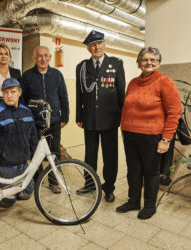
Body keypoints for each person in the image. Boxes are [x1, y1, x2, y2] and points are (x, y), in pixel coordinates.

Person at [116, 47, 182, 219]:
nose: (149, 63)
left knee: (150, 172)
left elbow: (175, 111)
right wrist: (124, 128)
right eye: (145, 59)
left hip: (152, 136)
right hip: (131, 135)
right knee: (133, 170)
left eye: (153, 59)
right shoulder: (132, 82)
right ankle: (133, 201)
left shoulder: (164, 81)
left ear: (158, 63)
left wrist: (166, 139)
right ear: (138, 63)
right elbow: (126, 107)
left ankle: (150, 205)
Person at [76, 30, 125, 202]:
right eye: (93, 45)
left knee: (110, 155)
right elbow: (79, 92)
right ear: (88, 48)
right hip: (89, 118)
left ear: (104, 44)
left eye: (99, 43)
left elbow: (121, 92)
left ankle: (109, 187)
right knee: (90, 154)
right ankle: (89, 184)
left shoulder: (116, 64)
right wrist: (78, 116)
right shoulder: (82, 67)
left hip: (110, 118)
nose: (97, 47)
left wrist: (122, 117)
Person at [21, 45, 69, 193]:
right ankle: (37, 179)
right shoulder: (27, 76)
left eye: (46, 55)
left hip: (54, 120)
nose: (43, 59)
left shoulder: (57, 75)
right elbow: (22, 99)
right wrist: (25, 118)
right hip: (34, 121)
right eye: (40, 56)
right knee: (35, 151)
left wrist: (65, 116)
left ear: (49, 57)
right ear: (34, 58)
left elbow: (63, 96)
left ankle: (54, 181)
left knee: (54, 151)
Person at [0, 78, 38, 207]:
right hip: (5, 167)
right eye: (5, 92)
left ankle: (12, 188)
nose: (9, 96)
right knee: (8, 202)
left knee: (27, 194)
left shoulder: (27, 112)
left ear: (19, 92)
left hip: (23, 166)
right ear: (2, 93)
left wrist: (35, 159)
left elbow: (33, 137)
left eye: (13, 92)